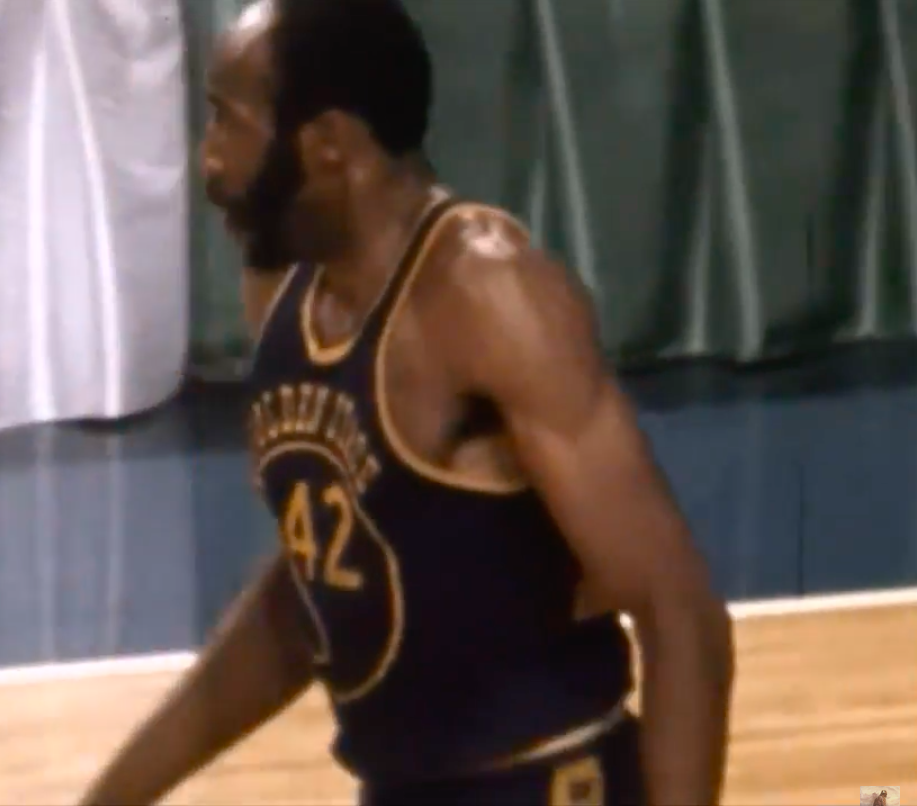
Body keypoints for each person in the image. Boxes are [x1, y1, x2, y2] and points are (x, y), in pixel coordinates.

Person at [80, 0, 735, 803]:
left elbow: (679, 616)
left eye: (227, 121)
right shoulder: (286, 297)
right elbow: (306, 607)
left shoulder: (486, 294)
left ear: (327, 142)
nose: (209, 158)